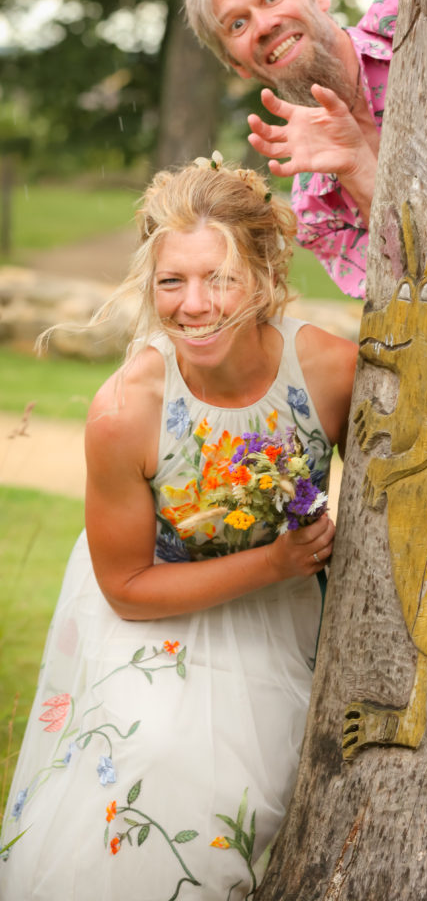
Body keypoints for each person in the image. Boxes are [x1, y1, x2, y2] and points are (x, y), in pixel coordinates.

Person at [0, 157, 357, 900]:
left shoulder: (328, 373)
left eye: (219, 278)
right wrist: (277, 561)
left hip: (282, 616)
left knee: (276, 798)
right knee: (153, 768)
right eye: (172, 282)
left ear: (263, 275)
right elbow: (126, 587)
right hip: (153, 609)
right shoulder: (125, 411)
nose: (195, 306)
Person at [184, 0, 402, 299]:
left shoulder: (416, 4)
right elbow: (417, 292)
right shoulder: (315, 212)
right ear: (237, 65)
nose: (265, 25)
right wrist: (358, 168)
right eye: (237, 24)